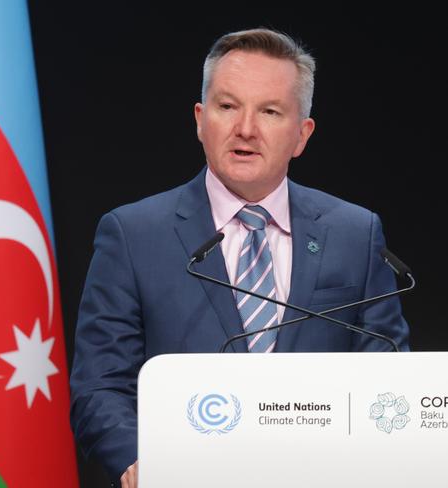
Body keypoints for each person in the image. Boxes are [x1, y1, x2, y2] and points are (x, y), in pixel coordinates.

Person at [69, 28, 409, 487]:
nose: (245, 128)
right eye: (227, 106)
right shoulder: (133, 234)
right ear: (199, 118)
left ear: (301, 135)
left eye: (270, 111)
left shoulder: (354, 232)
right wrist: (136, 461)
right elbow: (100, 385)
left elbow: (385, 374)